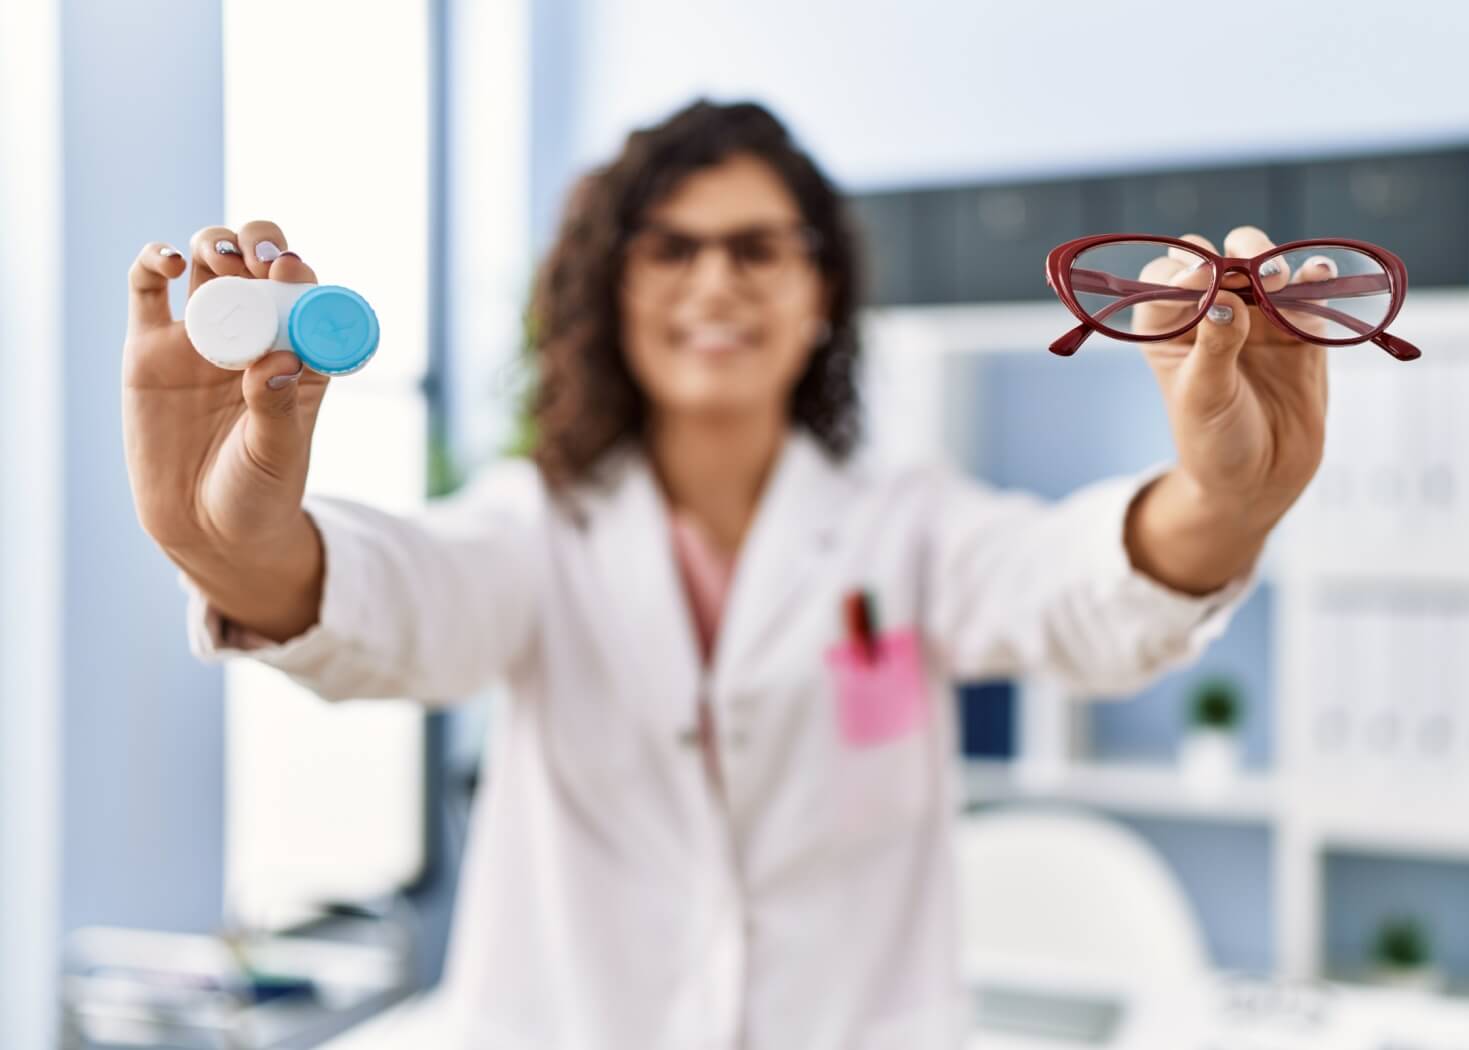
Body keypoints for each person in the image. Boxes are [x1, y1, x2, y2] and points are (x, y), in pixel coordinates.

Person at [123, 99, 1326, 1049]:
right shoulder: (535, 523)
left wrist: (1223, 501)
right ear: (613, 287)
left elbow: (1069, 589)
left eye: (759, 247)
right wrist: (234, 547)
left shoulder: (904, 522)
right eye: (672, 249)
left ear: (821, 293)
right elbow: (403, 598)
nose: (715, 283)